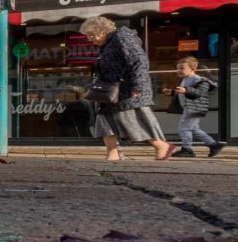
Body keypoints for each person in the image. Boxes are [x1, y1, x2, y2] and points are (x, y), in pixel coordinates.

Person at [80, 16, 173, 162]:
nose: (90, 39)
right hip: (110, 91)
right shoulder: (108, 43)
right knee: (105, 120)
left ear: (103, 31)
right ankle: (113, 153)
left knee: (131, 120)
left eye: (92, 35)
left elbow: (139, 60)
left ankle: (161, 146)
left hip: (127, 89)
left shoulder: (121, 38)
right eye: (88, 36)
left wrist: (137, 86)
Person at [166, 56, 224, 158]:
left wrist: (186, 90)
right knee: (194, 129)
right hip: (189, 107)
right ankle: (214, 145)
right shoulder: (186, 79)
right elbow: (184, 92)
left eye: (182, 68)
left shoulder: (199, 80)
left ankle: (187, 150)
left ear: (193, 68)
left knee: (183, 129)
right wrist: (172, 92)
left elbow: (200, 92)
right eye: (177, 68)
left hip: (194, 108)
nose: (179, 70)